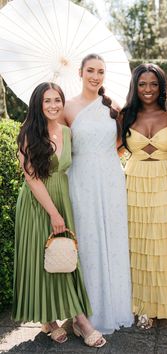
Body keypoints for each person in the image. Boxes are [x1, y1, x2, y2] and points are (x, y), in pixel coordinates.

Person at [13, 82, 106, 348]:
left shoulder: (67, 131)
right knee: (43, 258)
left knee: (64, 256)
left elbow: (91, 156)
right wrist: (54, 213)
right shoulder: (28, 133)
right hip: (37, 202)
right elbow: (31, 178)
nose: (53, 106)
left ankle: (73, 319)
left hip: (63, 197)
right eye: (47, 101)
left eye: (57, 100)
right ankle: (63, 320)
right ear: (38, 105)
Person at [58, 54, 133, 334]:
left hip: (111, 178)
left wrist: (105, 160)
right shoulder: (66, 107)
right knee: (87, 241)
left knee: (113, 240)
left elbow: (120, 143)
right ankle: (85, 314)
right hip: (81, 180)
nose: (95, 76)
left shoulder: (113, 105)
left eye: (101, 71)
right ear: (80, 72)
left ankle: (114, 305)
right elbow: (61, 146)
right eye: (90, 70)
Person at [120, 63, 167, 329]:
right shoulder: (125, 115)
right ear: (135, 87)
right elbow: (110, 149)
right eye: (142, 84)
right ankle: (143, 305)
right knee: (138, 245)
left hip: (166, 184)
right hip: (134, 184)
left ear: (161, 86)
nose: (148, 89)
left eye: (154, 84)